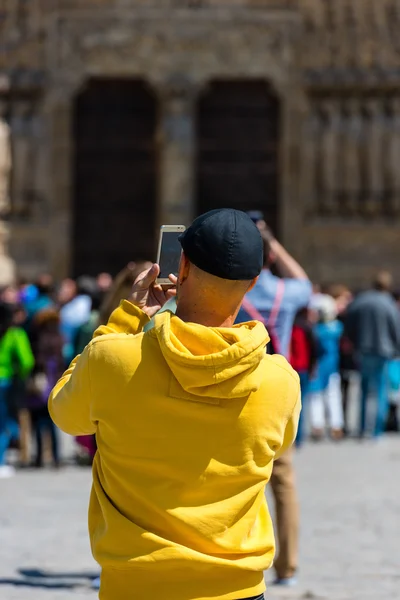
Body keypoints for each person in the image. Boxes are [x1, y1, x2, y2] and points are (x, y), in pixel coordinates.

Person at [49, 208, 301, 600]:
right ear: (252, 283)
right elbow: (276, 447)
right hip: (238, 589)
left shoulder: (114, 359)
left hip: (135, 586)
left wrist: (125, 318)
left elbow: (64, 412)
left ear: (180, 267)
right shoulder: (280, 382)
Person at [236, 217, 312, 586]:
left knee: (237, 477)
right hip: (279, 392)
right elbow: (305, 283)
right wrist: (274, 245)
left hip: (239, 391)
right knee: (283, 480)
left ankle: (241, 557)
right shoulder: (286, 293)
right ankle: (288, 565)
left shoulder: (233, 293)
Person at [345, 271, 400, 438]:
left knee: (364, 389)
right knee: (381, 390)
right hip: (383, 351)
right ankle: (376, 430)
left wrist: (354, 341)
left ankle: (362, 428)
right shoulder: (389, 303)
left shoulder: (361, 300)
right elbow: (395, 328)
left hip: (363, 349)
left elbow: (349, 323)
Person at [0, 302, 34, 477]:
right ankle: (1, 460)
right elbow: (27, 361)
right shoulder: (15, 334)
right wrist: (20, 376)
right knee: (5, 423)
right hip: (5, 381)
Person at [27, 309, 64, 468]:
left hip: (40, 382)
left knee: (39, 422)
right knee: (52, 423)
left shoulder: (37, 339)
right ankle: (55, 458)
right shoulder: (60, 338)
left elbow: (33, 361)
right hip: (55, 382)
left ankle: (40, 458)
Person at [308, 295, 344, 440]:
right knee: (333, 395)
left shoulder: (316, 330)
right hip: (331, 366)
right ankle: (336, 425)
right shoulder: (337, 327)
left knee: (317, 396)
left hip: (319, 366)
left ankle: (318, 425)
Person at [290, 307, 318, 447]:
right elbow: (315, 349)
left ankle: (289, 438)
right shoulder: (307, 327)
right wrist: (313, 367)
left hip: (288, 367)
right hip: (303, 369)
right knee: (300, 404)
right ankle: (298, 437)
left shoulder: (286, 326)